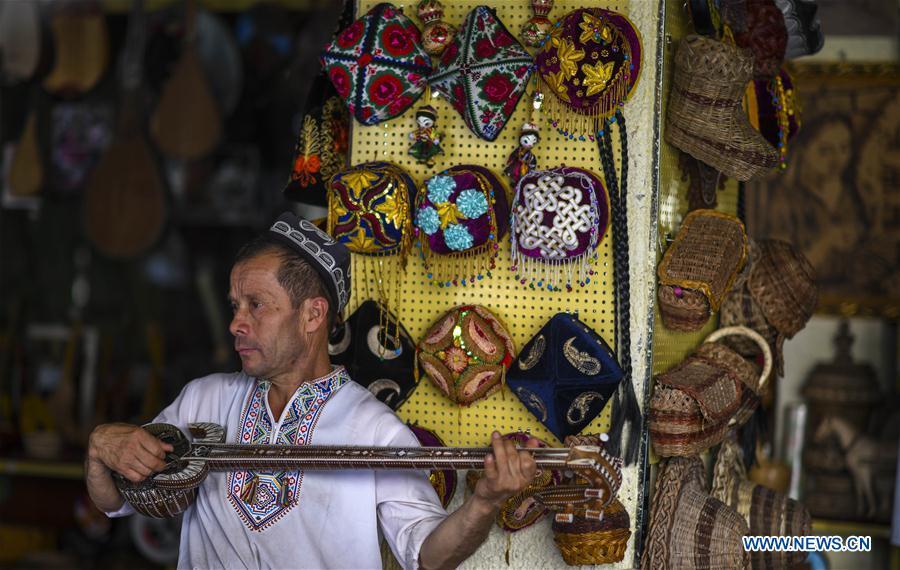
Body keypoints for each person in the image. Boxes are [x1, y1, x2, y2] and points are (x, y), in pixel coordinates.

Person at [85, 212, 538, 569]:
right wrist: (102, 447)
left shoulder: (373, 430)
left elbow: (426, 556)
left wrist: (485, 501)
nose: (235, 323)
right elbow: (118, 500)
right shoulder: (203, 398)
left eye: (256, 305)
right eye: (235, 306)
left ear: (313, 315)